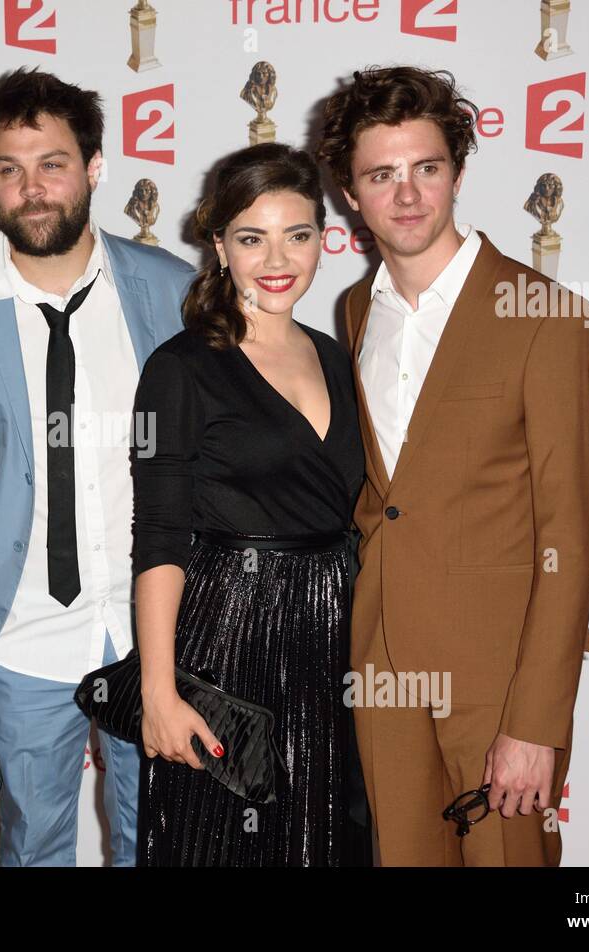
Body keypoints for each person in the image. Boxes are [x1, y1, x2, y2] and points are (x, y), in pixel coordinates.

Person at [0, 68, 194, 866]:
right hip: (19, 636)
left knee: (156, 841)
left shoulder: (170, 289)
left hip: (154, 637)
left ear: (94, 168)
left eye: (52, 164)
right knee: (34, 849)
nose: (31, 189)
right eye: (8, 169)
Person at [317, 66, 589, 866]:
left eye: (427, 169)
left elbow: (569, 534)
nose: (407, 196)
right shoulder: (353, 311)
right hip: (382, 666)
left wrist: (536, 723)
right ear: (349, 192)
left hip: (498, 680)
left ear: (458, 173)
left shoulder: (544, 316)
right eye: (382, 175)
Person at [132, 142, 371, 867]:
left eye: (297, 235)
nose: (278, 258)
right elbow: (161, 536)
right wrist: (159, 691)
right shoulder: (179, 368)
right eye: (251, 237)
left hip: (335, 636)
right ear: (218, 245)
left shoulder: (335, 354)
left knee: (330, 839)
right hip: (232, 634)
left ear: (324, 239)